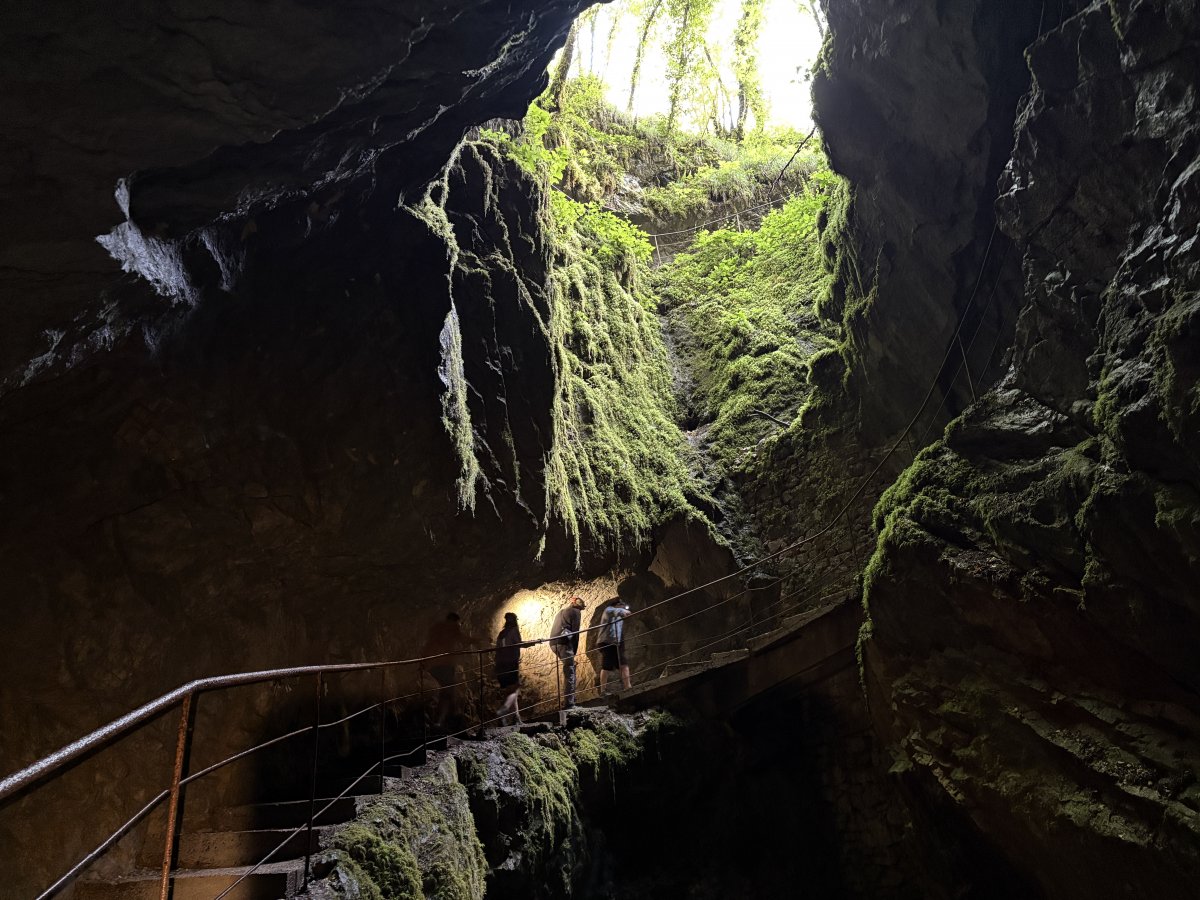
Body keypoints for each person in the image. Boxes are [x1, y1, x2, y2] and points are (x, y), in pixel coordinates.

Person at [422, 612, 467, 729]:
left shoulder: (436, 629)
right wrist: (479, 640)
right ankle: (440, 722)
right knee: (446, 694)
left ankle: (435, 722)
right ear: (454, 621)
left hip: (433, 666)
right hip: (446, 666)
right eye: (458, 623)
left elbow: (428, 645)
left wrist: (423, 662)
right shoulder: (453, 628)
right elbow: (464, 639)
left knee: (439, 694)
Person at [548, 596, 586, 708]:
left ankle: (570, 699)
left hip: (553, 643)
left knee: (569, 666)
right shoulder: (575, 612)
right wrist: (573, 651)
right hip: (564, 643)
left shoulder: (561, 612)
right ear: (579, 606)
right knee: (570, 671)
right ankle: (569, 703)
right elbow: (575, 632)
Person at [597, 598, 632, 694]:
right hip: (606, 642)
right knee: (606, 666)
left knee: (623, 664)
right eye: (622, 606)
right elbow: (615, 611)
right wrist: (624, 611)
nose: (623, 608)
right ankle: (603, 690)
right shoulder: (608, 610)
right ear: (617, 605)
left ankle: (628, 687)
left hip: (616, 643)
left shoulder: (619, 615)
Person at [495, 612, 523, 726]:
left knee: (510, 691)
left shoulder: (501, 633)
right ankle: (502, 711)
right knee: (514, 689)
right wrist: (533, 643)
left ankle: (516, 718)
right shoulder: (514, 630)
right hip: (510, 664)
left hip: (500, 665)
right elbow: (519, 643)